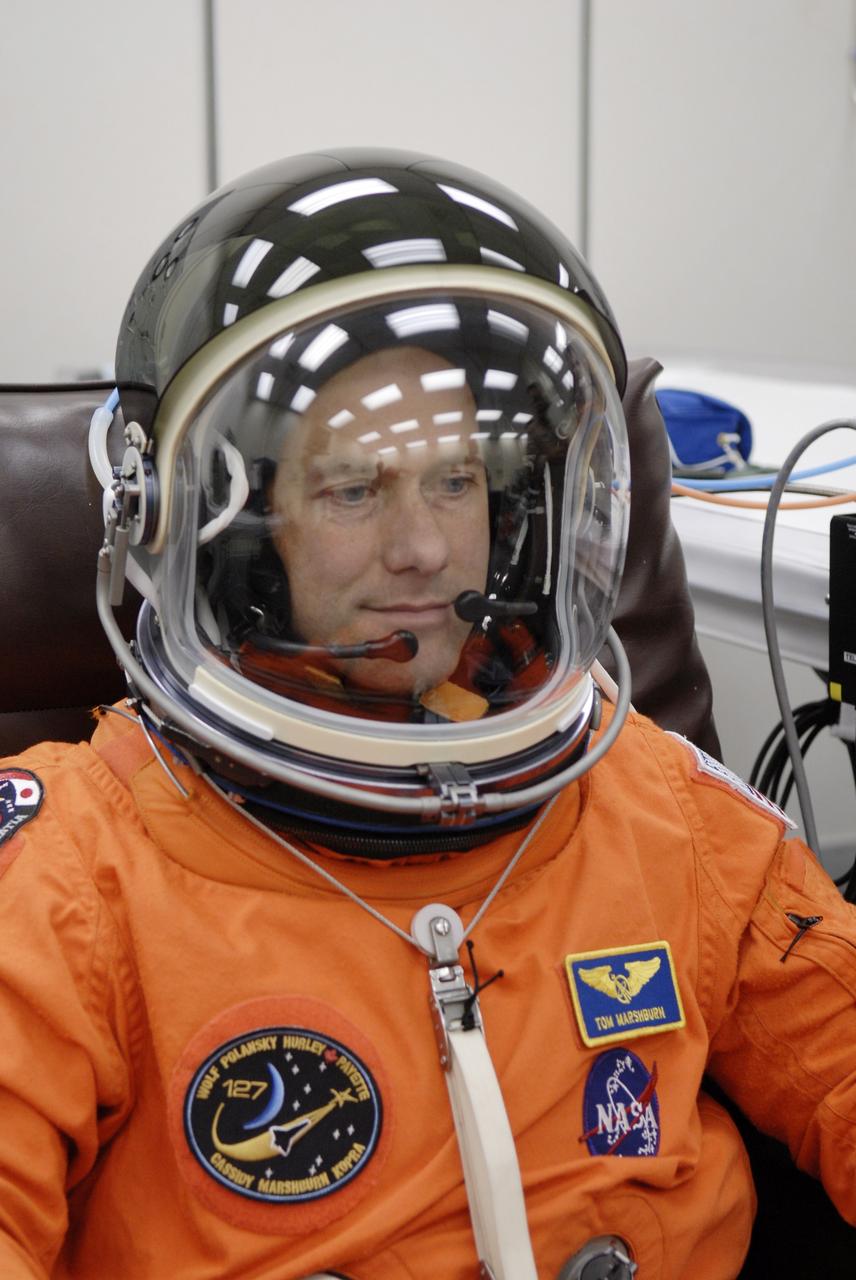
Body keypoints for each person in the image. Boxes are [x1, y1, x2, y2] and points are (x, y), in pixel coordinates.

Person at [0, 148, 855, 1280]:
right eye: (355, 488)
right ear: (228, 524)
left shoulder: (660, 809)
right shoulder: (76, 872)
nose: (421, 548)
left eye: (452, 481)